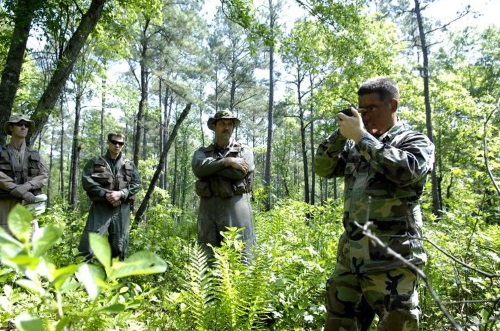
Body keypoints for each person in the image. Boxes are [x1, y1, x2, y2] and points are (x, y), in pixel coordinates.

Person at [314, 77, 435, 331]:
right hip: (351, 260)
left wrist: (361, 137)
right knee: (339, 325)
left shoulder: (414, 141)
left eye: (371, 108)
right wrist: (341, 133)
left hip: (393, 261)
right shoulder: (355, 146)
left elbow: (408, 171)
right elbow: (322, 168)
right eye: (361, 109)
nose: (365, 115)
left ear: (392, 105)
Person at [192, 110, 255, 263]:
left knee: (239, 254)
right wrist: (227, 162)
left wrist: (211, 169)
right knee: (207, 255)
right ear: (214, 126)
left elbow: (239, 173)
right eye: (222, 123)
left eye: (230, 124)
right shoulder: (201, 152)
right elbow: (199, 168)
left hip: (235, 208)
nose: (226, 127)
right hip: (208, 211)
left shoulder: (244, 151)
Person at [79, 132, 141, 261]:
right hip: (101, 207)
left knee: (119, 246)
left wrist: (121, 194)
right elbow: (86, 180)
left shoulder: (129, 164)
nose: (117, 145)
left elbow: (137, 184)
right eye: (114, 142)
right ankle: (80, 278)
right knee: (89, 244)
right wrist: (105, 193)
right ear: (108, 142)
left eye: (120, 143)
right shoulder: (95, 162)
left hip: (121, 209)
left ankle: (113, 278)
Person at [0, 114, 48, 234]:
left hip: (28, 203)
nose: (23, 127)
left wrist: (27, 187)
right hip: (5, 203)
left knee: (28, 238)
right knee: (5, 238)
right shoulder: (2, 152)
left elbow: (44, 175)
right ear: (11, 128)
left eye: (26, 125)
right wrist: (18, 189)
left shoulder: (35, 155)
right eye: (19, 124)